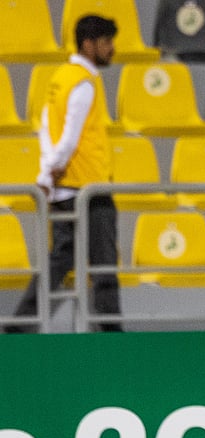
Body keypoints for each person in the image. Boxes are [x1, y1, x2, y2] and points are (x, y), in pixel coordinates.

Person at [9, 15, 121, 333]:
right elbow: (69, 137)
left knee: (59, 260)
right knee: (103, 263)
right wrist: (48, 173)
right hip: (87, 187)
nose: (112, 48)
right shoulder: (84, 82)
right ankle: (113, 333)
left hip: (64, 188)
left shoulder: (60, 77)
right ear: (89, 44)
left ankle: (18, 325)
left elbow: (46, 127)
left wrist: (47, 173)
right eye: (106, 42)